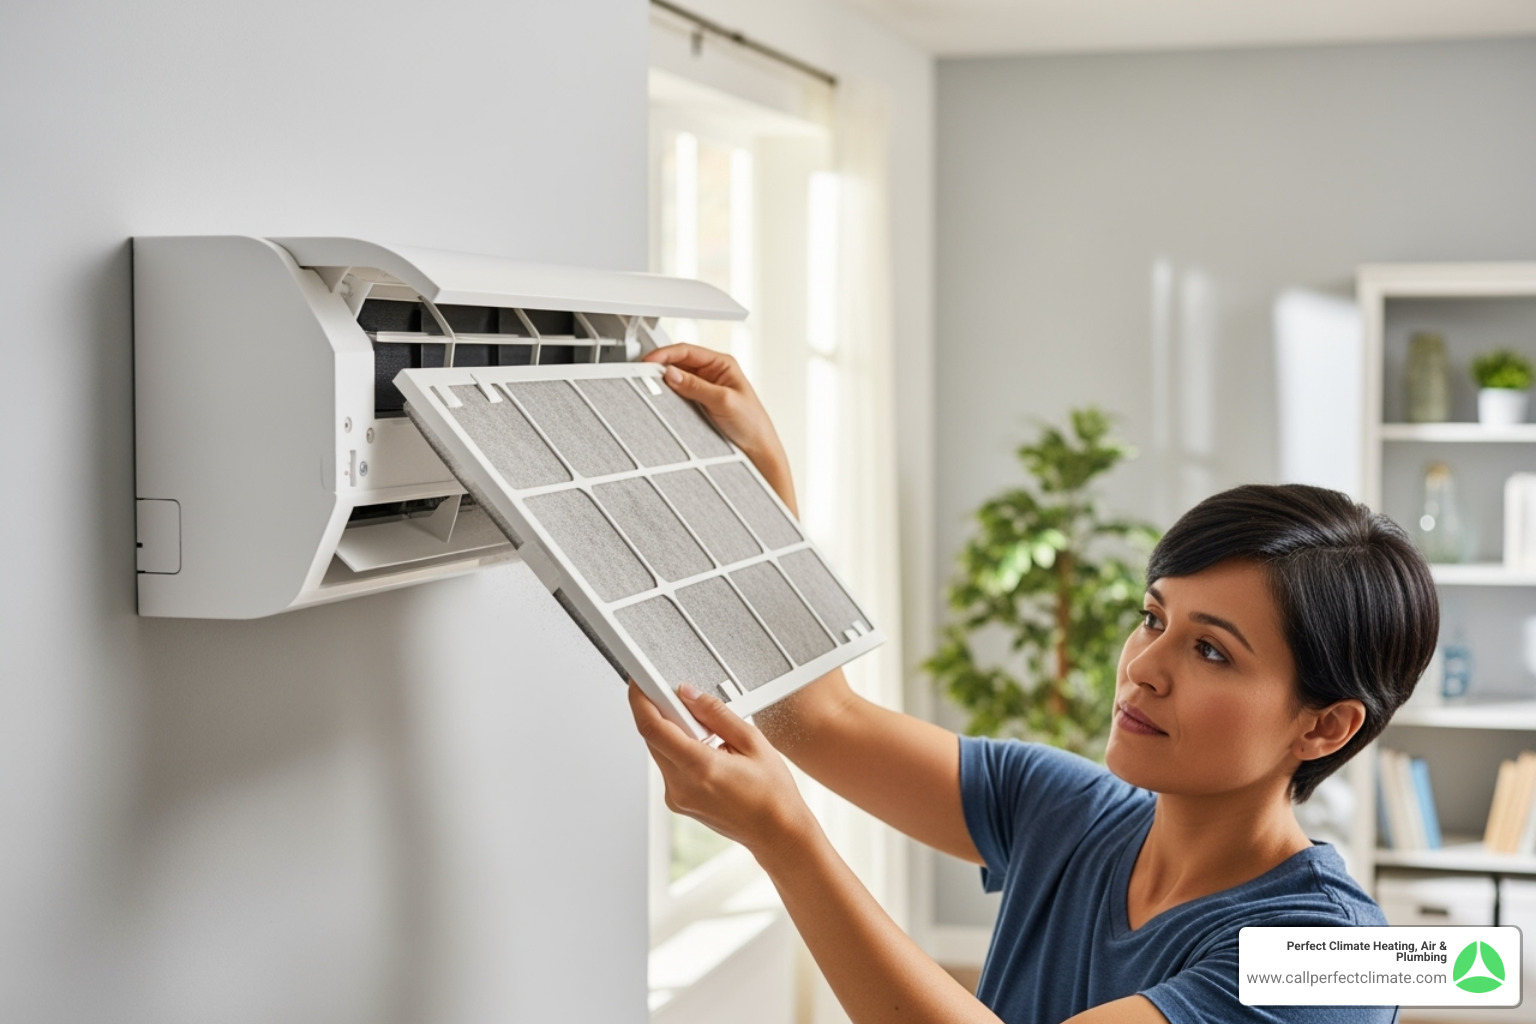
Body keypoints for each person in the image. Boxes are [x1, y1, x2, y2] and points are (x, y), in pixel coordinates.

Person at [629, 343, 1438, 1024]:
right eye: (1153, 618)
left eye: (1212, 652)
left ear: (1324, 727)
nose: (1143, 668)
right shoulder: (1067, 812)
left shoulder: (1335, 961)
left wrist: (786, 841)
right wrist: (758, 479)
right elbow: (814, 715)